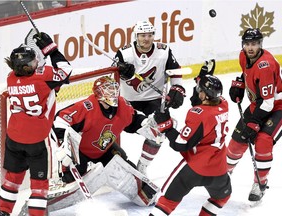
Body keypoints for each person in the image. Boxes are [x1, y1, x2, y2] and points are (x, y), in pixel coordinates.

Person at [51, 76, 160, 207]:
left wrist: (146, 123)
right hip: (81, 153)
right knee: (71, 179)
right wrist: (65, 145)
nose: (112, 94)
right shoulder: (87, 107)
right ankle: (54, 191)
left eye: (114, 89)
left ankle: (140, 180)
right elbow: (61, 119)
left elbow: (134, 119)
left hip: (105, 151)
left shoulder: (123, 105)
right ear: (98, 93)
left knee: (132, 180)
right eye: (108, 90)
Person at [0, 32, 72, 216]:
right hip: (37, 140)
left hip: (14, 138)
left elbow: (42, 80)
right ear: (25, 66)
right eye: (31, 62)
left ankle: (3, 212)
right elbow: (66, 70)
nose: (34, 63)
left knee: (12, 179)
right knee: (39, 186)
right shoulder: (43, 77)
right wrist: (50, 48)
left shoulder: (10, 78)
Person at [149, 75, 232, 216]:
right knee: (222, 197)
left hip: (194, 169)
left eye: (200, 90)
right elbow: (203, 104)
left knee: (166, 202)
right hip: (219, 170)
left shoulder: (198, 115)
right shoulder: (224, 105)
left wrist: (166, 125)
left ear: (205, 95)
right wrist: (202, 79)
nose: (198, 92)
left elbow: (180, 144)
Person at [114, 20, 186, 175]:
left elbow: (175, 71)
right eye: (142, 35)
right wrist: (120, 69)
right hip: (127, 101)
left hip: (154, 100)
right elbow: (112, 74)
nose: (146, 39)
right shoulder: (125, 53)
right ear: (136, 36)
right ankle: (108, 161)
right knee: (110, 128)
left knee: (159, 132)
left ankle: (142, 167)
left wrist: (178, 88)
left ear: (154, 36)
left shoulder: (164, 51)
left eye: (149, 35)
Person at [226, 28, 282, 202]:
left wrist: (254, 123)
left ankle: (260, 182)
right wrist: (240, 84)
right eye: (247, 44)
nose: (250, 48)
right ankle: (223, 175)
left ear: (260, 45)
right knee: (237, 141)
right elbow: (247, 75)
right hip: (259, 104)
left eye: (255, 44)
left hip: (277, 107)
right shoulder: (243, 56)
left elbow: (268, 103)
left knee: (263, 140)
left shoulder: (266, 65)